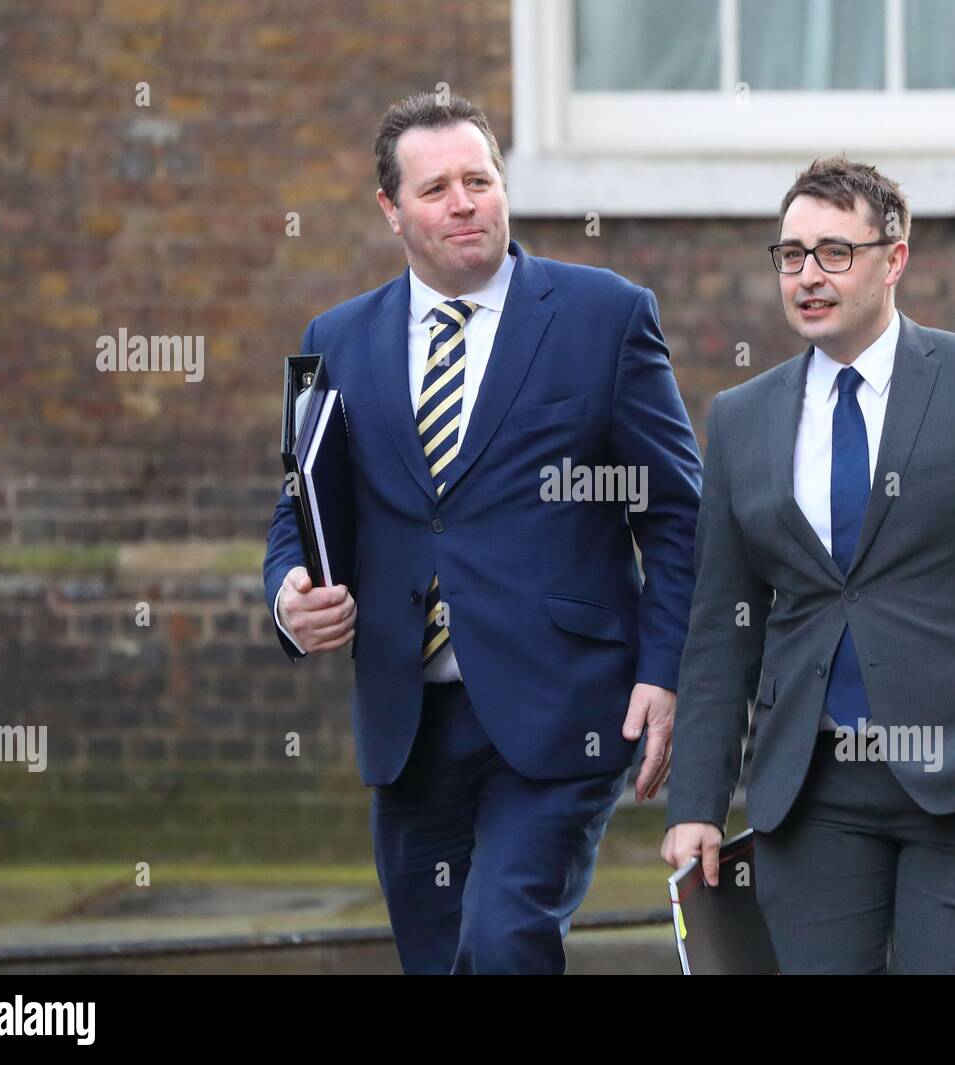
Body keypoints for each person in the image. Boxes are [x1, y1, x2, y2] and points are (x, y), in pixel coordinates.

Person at [263, 92, 702, 974]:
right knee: (438, 960)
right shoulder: (332, 340)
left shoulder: (603, 317)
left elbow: (677, 511)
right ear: (391, 210)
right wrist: (288, 596)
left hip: (562, 707)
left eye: (480, 179)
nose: (464, 202)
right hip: (408, 719)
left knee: (503, 940)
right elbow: (299, 507)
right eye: (436, 189)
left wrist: (665, 669)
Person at [661, 156, 955, 974]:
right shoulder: (741, 418)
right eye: (791, 255)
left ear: (894, 258)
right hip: (811, 795)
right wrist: (696, 802)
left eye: (835, 251)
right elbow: (722, 627)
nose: (808, 276)